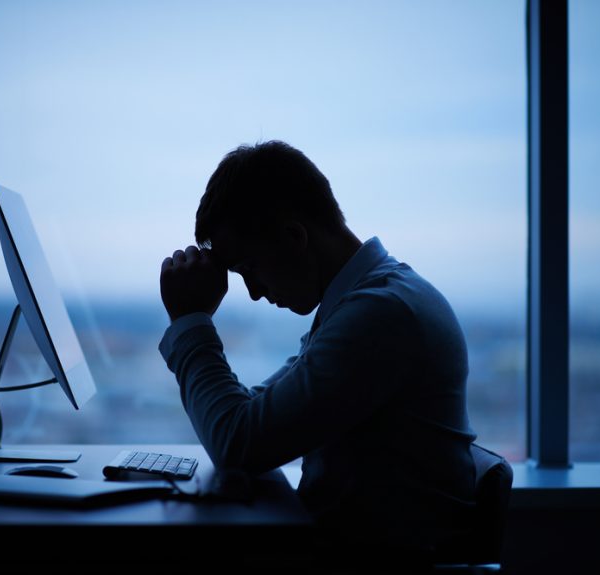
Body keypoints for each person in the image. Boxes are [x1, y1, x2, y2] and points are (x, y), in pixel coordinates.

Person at [158, 140, 477, 555]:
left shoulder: (381, 316)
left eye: (249, 268)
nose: (254, 292)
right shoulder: (367, 301)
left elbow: (240, 444)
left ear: (294, 237)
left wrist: (189, 320)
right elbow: (256, 418)